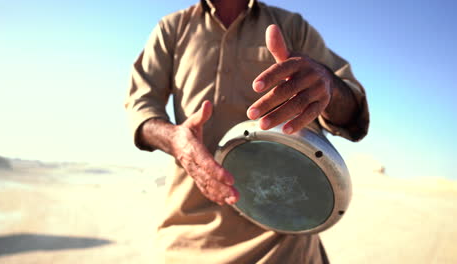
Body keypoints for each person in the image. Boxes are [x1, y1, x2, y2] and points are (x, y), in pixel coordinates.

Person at [125, 0, 369, 263]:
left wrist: (327, 86)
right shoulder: (172, 28)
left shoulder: (291, 27)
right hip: (188, 240)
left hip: (284, 245)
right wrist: (174, 140)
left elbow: (353, 115)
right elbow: (140, 105)